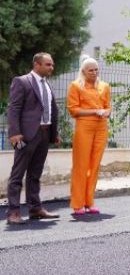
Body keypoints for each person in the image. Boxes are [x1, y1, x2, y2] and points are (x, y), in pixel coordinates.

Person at [5, 53, 61, 224]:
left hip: (44, 134)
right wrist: (14, 133)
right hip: (25, 135)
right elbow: (14, 108)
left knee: (35, 174)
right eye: (48, 64)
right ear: (37, 64)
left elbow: (50, 109)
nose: (51, 68)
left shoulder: (47, 84)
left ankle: (35, 209)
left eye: (52, 64)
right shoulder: (22, 81)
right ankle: (13, 212)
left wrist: (54, 132)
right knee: (18, 174)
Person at [67, 56, 111, 216]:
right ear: (83, 71)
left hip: (101, 127)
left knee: (95, 166)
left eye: (96, 69)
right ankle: (77, 204)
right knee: (81, 166)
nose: (94, 72)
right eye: (90, 70)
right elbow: (73, 110)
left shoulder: (104, 86)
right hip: (84, 127)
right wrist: (94, 111)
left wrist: (106, 112)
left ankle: (89, 202)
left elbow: (108, 107)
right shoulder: (75, 86)